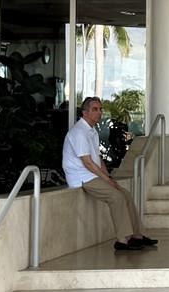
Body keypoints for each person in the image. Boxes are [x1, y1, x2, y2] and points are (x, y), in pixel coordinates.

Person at [63, 97, 158, 253]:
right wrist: (106, 180)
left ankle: (138, 235)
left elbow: (97, 158)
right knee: (116, 197)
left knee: (125, 194)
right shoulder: (79, 132)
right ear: (85, 112)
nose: (99, 112)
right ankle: (122, 240)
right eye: (95, 109)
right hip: (82, 177)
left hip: (92, 175)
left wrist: (109, 178)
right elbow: (87, 163)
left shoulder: (91, 130)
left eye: (100, 109)